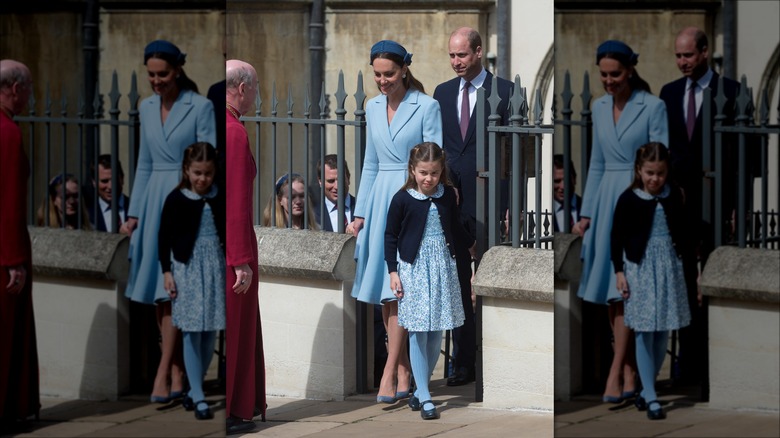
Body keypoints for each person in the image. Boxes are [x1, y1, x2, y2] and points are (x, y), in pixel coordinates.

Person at [120, 40, 216, 404]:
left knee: (177, 293)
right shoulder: (145, 107)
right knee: (161, 297)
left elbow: (207, 162)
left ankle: (163, 373)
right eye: (151, 75)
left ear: (177, 71)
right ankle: (176, 370)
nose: (156, 81)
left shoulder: (201, 106)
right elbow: (143, 164)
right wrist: (134, 215)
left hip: (184, 202)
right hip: (150, 204)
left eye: (162, 74)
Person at [573, 40, 668, 404]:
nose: (609, 81)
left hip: (636, 201)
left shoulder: (653, 106)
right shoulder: (597, 107)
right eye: (603, 74)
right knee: (614, 296)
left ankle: (616, 372)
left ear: (630, 71)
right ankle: (628, 371)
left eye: (615, 74)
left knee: (627, 293)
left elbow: (660, 161)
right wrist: (587, 214)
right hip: (603, 203)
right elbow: (596, 163)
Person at [350, 40, 442, 404]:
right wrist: (359, 214)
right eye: (377, 74)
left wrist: (422, 204)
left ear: (404, 69)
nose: (382, 81)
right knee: (388, 296)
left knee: (401, 292)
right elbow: (370, 164)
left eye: (389, 74)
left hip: (411, 201)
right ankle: (403, 371)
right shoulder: (371, 107)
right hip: (377, 204)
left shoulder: (427, 106)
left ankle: (389, 373)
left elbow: (433, 164)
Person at [658, 27, 740, 391]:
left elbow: (741, 157)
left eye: (688, 55)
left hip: (717, 202)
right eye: (678, 55)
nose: (682, 62)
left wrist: (737, 207)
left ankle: (715, 368)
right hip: (680, 204)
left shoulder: (731, 92)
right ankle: (686, 368)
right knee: (682, 284)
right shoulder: (669, 93)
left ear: (705, 52)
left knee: (714, 282)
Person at [433, 26, 513, 387]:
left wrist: (510, 204)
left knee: (489, 280)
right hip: (454, 200)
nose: (455, 62)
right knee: (458, 283)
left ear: (479, 52)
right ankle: (464, 361)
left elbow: (512, 154)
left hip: (491, 199)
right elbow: (442, 147)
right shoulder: (443, 93)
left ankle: (493, 358)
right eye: (451, 55)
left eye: (461, 55)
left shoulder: (505, 92)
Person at [385, 142, 470, 420]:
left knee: (437, 332)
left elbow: (455, 227)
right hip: (414, 269)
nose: (428, 179)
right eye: (423, 172)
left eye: (434, 173)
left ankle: (421, 391)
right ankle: (427, 397)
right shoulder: (402, 199)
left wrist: (472, 245)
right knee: (419, 332)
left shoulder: (447, 196)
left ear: (441, 170)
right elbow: (390, 236)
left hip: (443, 267)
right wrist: (393, 271)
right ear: (412, 170)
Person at [611, 142, 691, 420]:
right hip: (640, 269)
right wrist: (619, 272)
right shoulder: (628, 199)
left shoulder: (673, 196)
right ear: (639, 170)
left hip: (668, 267)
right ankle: (653, 396)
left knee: (662, 332)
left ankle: (645, 390)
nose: (655, 178)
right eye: (649, 172)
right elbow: (617, 237)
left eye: (660, 173)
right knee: (644, 332)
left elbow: (684, 232)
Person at [159, 142, 225, 420]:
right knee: (191, 331)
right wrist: (167, 272)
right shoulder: (176, 199)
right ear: (186, 170)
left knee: (211, 331)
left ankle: (192, 388)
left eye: (207, 173)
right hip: (187, 268)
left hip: (214, 267)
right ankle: (198, 395)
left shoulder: (219, 195)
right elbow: (164, 237)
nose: (202, 179)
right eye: (197, 173)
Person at [225, 59, 265, 434]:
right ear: (241, 88)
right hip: (230, 249)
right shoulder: (234, 132)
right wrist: (240, 261)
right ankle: (235, 410)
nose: (256, 94)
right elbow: (235, 204)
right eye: (254, 88)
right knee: (236, 333)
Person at [0, 58, 39, 432]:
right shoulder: (8, 133)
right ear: (15, 89)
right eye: (27, 90)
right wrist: (13, 261)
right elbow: (9, 203)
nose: (29, 97)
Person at [87, 154, 129, 233]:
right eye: (104, 181)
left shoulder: (137, 208)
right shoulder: (87, 213)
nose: (110, 187)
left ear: (122, 178)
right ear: (94, 182)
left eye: (114, 180)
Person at [315, 154, 356, 232]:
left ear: (348, 178)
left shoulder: (364, 208)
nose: (337, 187)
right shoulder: (312, 214)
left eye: (341, 179)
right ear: (320, 181)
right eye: (331, 181)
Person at [553, 154, 581, 233]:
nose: (562, 187)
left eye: (566, 180)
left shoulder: (589, 208)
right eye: (557, 181)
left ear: (574, 179)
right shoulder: (542, 211)